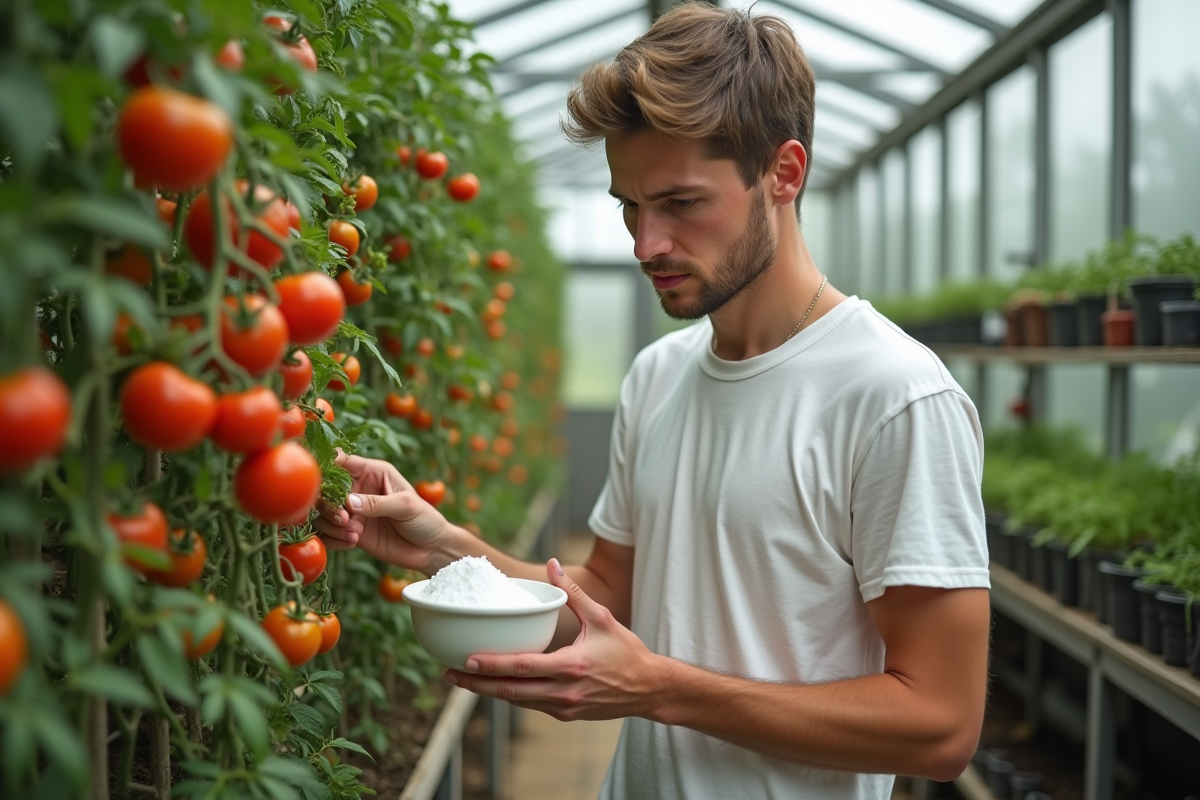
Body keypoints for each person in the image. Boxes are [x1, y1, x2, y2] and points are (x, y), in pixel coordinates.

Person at [315, 4, 991, 798]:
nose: (645, 244)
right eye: (629, 207)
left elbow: (942, 725)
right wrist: (445, 549)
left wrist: (661, 689)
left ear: (784, 173)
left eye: (681, 202)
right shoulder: (659, 375)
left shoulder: (893, 397)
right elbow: (605, 600)